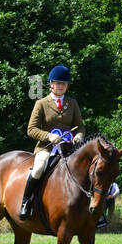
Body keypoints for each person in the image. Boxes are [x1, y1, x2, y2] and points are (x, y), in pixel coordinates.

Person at [20, 66, 85, 219]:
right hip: (46, 148)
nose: (61, 86)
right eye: (58, 83)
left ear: (67, 86)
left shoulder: (72, 103)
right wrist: (48, 136)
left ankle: (89, 209)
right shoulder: (41, 103)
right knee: (38, 169)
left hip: (69, 147)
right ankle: (26, 202)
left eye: (64, 84)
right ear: (51, 84)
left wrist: (79, 137)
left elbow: (80, 126)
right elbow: (31, 129)